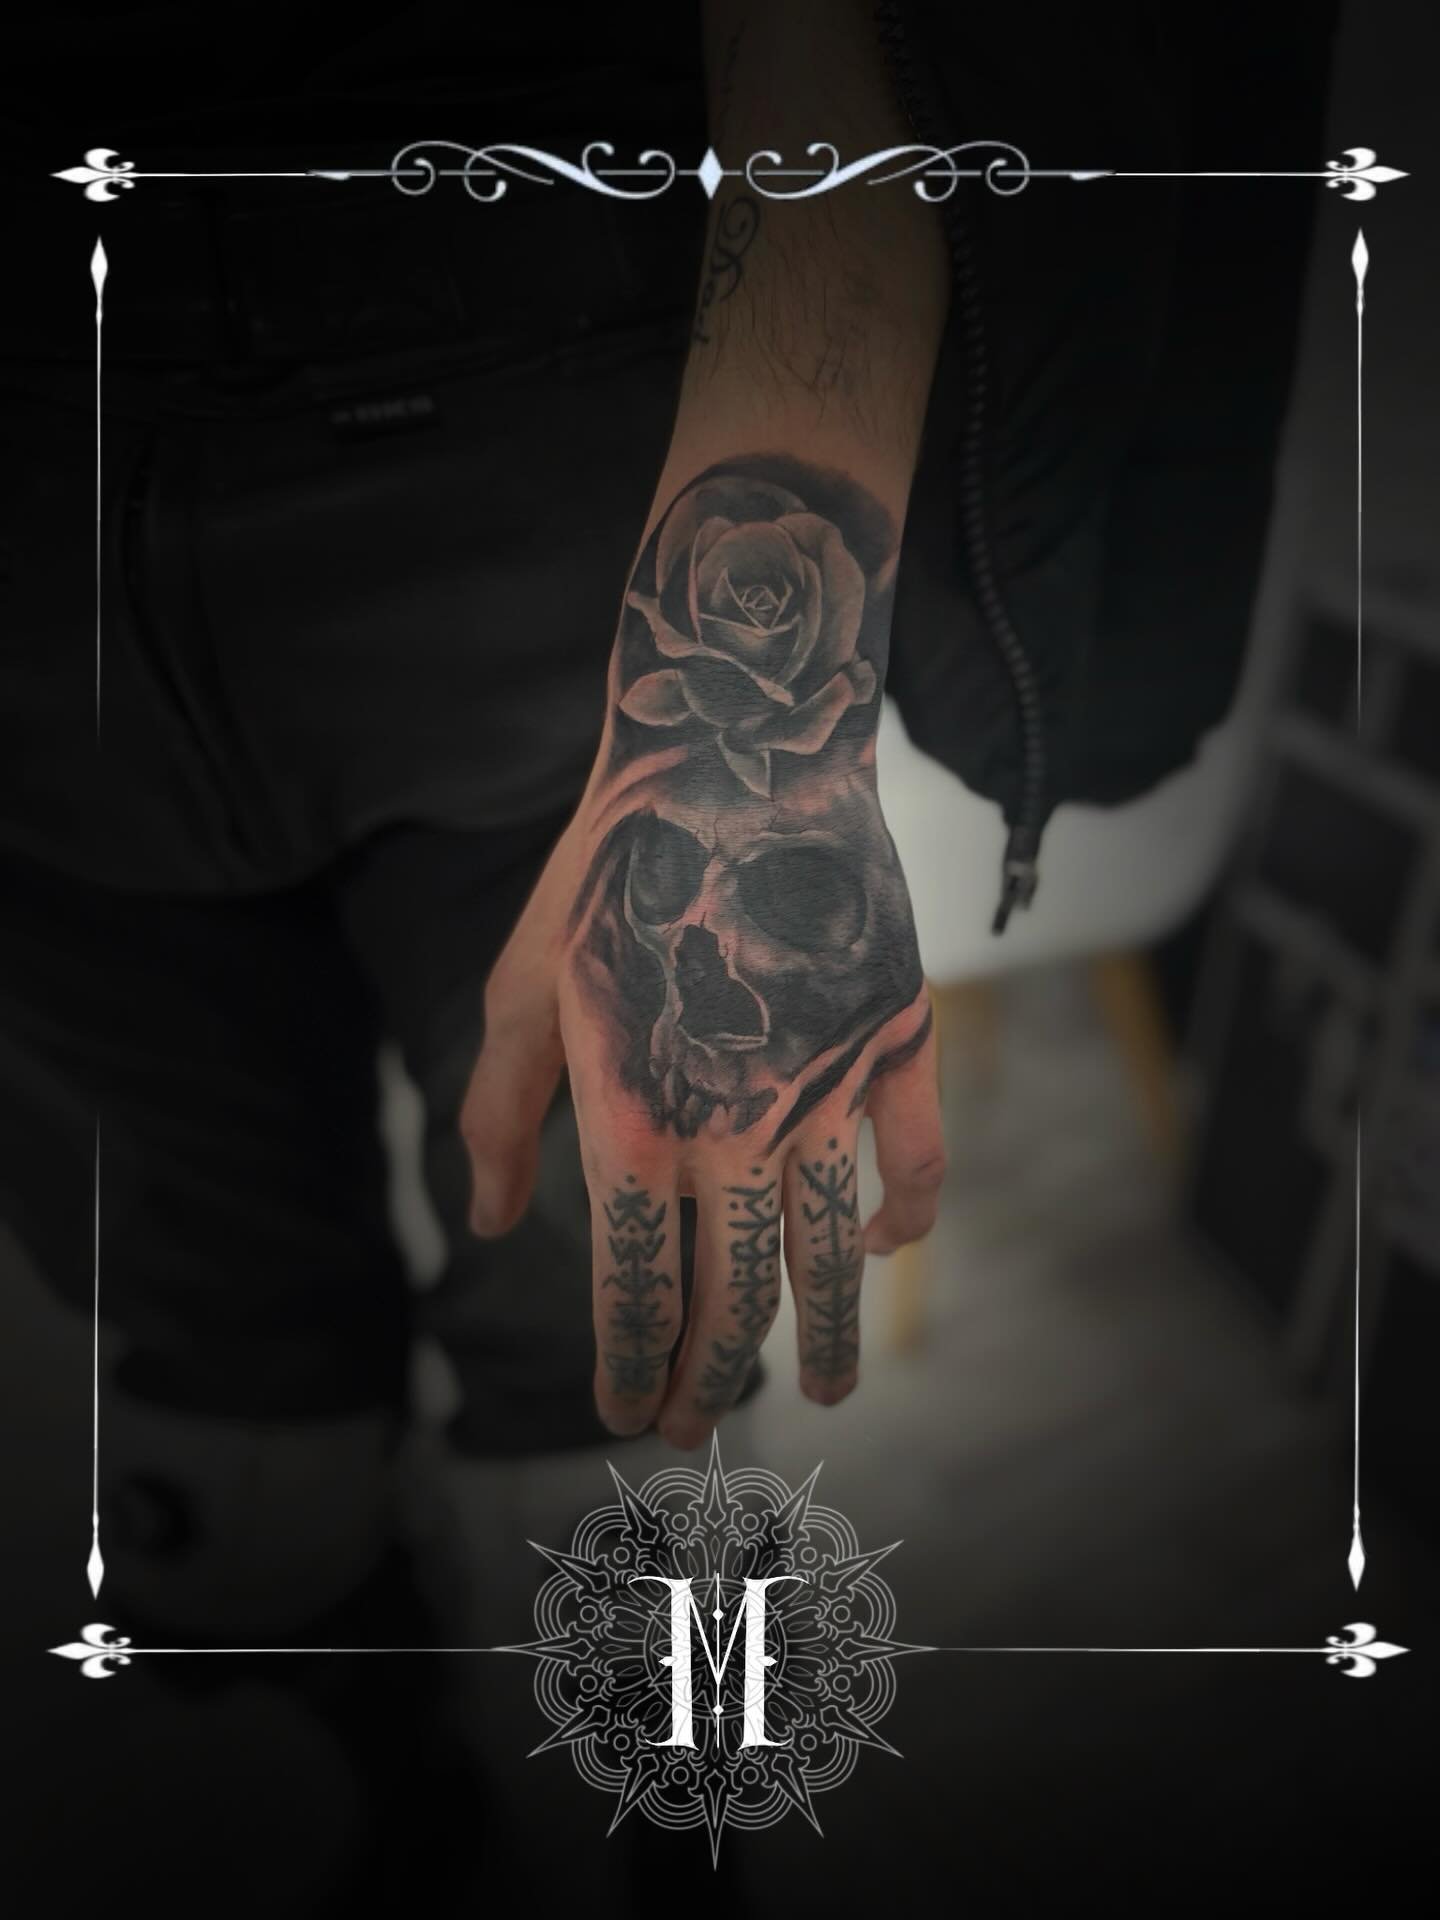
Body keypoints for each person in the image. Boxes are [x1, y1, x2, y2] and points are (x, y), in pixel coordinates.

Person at [1, 1, 1333, 1621]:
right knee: (224, 1370)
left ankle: (611, 1736)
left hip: (529, 432)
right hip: (90, 672)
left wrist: (742, 747)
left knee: (610, 1368)